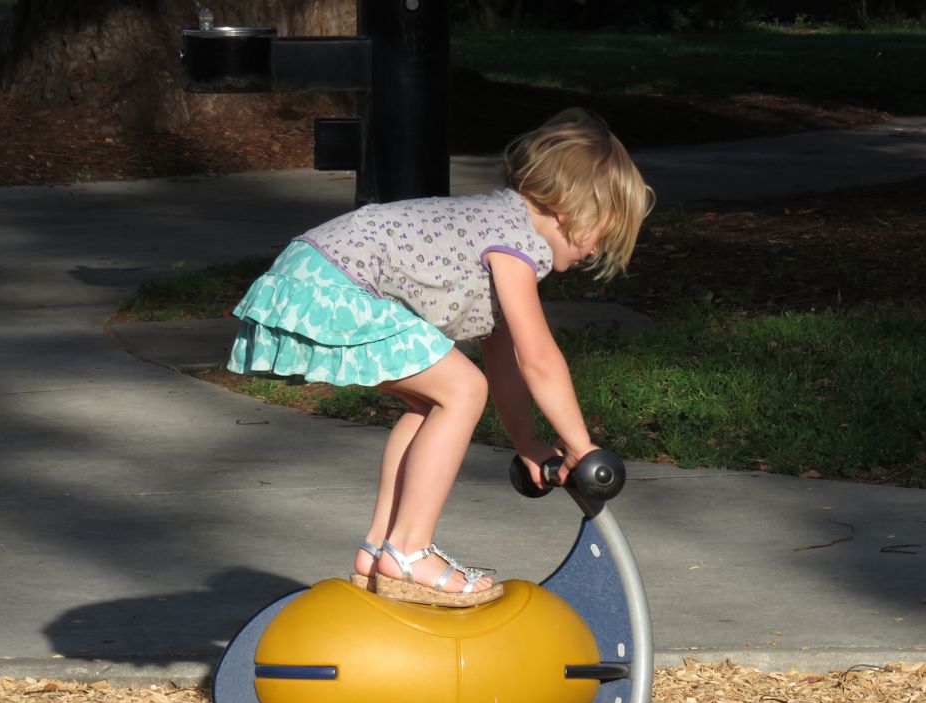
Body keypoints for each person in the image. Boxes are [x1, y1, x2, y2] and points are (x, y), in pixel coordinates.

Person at [227, 108, 654, 607]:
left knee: (433, 402)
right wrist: (581, 446)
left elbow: (507, 366)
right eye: (601, 233)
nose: (596, 249)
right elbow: (539, 358)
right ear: (569, 208)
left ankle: (380, 547)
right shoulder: (514, 242)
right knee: (462, 389)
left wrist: (530, 444)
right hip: (335, 283)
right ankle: (409, 550)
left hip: (313, 272)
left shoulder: (495, 229)